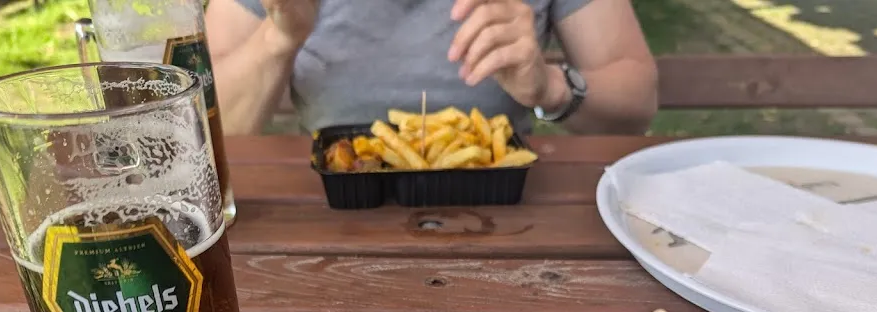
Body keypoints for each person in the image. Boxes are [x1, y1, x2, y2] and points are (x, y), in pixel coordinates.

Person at [206, 0, 657, 137]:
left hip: (506, 218)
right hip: (329, 215)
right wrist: (279, 39)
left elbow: (636, 98)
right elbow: (206, 129)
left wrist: (550, 87)